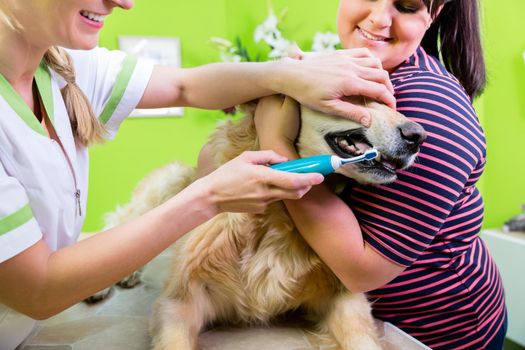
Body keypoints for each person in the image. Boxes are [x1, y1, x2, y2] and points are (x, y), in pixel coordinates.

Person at [0, 0, 402, 349]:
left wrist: (283, 75)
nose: (126, 3)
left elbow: (185, 86)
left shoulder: (65, 67)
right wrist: (209, 195)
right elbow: (38, 291)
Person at [254, 0, 507, 349]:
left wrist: (275, 143)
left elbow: (362, 270)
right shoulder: (350, 70)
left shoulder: (427, 103)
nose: (378, 18)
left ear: (434, 12)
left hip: (436, 332)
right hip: (359, 317)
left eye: (404, 5)